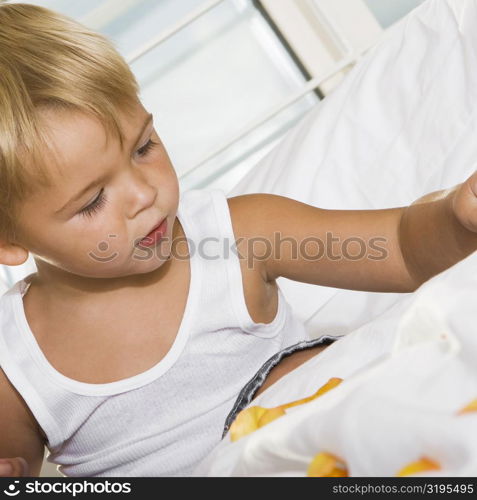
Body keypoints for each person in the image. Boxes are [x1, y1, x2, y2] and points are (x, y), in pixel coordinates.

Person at [0, 3, 476, 478]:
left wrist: (456, 219)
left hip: (338, 445)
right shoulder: (12, 362)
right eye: (92, 201)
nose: (144, 194)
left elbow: (397, 244)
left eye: (144, 147)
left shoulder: (239, 235)